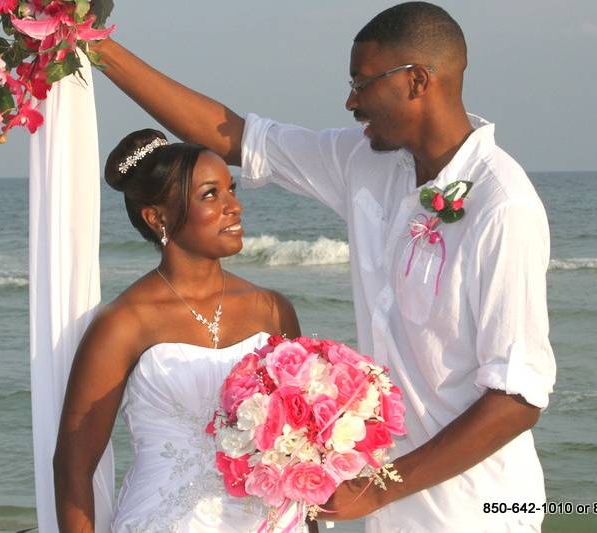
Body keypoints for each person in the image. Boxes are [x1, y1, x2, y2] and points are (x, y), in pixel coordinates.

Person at [92, 2, 557, 531]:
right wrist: (92, 45)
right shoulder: (366, 162)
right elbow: (238, 138)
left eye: (362, 83)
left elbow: (518, 397)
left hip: (475, 508)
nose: (350, 101)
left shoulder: (502, 206)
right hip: (387, 506)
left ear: (417, 81)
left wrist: (380, 488)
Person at [52, 129, 304, 532]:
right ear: (158, 217)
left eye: (231, 189)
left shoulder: (272, 310)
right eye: (210, 195)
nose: (234, 206)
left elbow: (297, 447)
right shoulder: (123, 323)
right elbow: (73, 468)